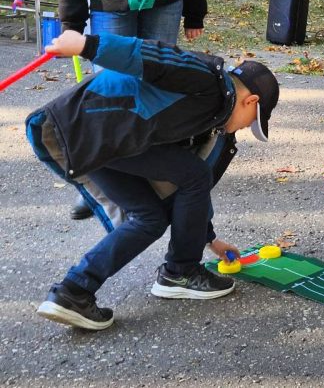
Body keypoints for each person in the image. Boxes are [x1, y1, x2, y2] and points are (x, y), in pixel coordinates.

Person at [27, 30, 279, 330]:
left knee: (149, 217)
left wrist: (208, 237)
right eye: (251, 121)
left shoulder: (206, 116)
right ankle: (181, 271)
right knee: (193, 176)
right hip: (97, 128)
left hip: (91, 139)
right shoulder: (207, 81)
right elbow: (148, 54)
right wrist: (87, 45)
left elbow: (185, 191)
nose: (242, 128)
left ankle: (73, 291)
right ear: (250, 101)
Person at [57, 0, 208, 219]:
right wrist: (71, 22)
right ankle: (102, 187)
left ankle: (154, 181)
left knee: (157, 92)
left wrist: (195, 9)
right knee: (109, 99)